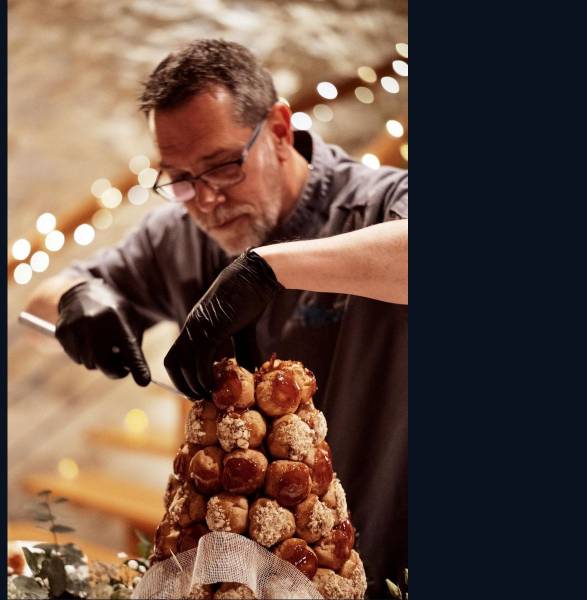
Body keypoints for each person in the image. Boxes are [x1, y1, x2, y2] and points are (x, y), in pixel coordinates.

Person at [25, 39, 407, 598]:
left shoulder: (377, 202)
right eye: (178, 178)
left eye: (223, 166)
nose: (204, 200)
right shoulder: (177, 236)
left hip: (383, 567)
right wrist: (76, 300)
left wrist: (267, 269)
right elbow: (39, 301)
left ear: (279, 129)